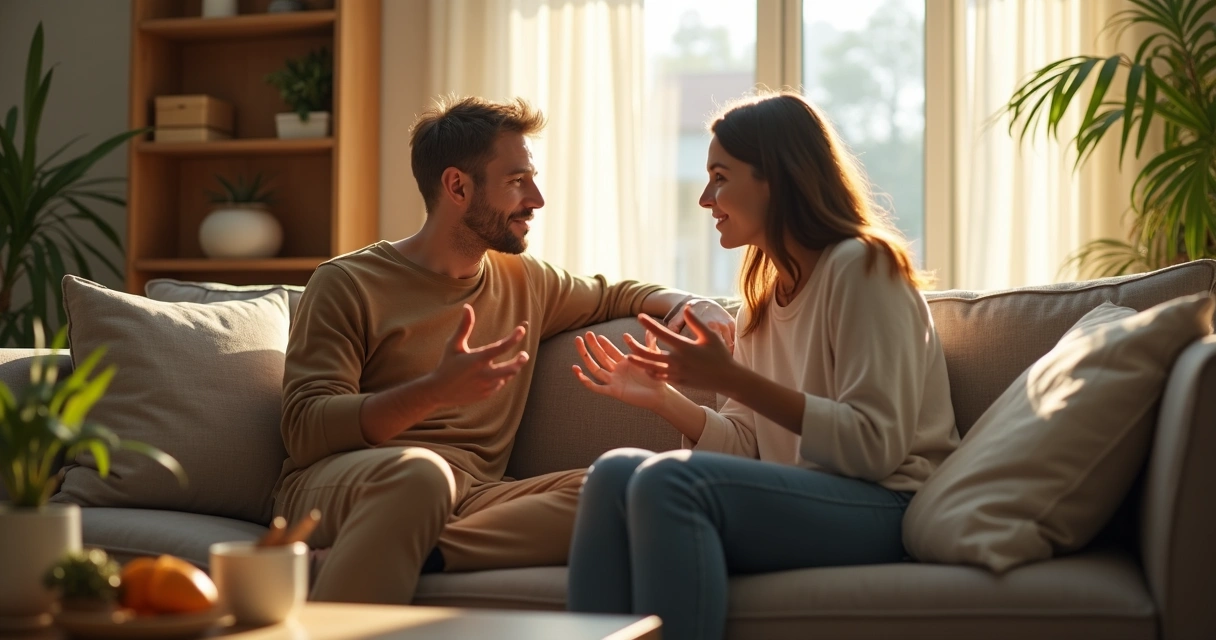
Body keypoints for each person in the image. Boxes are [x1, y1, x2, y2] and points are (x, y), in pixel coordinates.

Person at [273, 95, 734, 604]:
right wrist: (430, 392)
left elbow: (615, 294)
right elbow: (306, 428)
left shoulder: (524, 280)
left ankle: (420, 549)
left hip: (472, 496)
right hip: (352, 483)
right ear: (457, 187)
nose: (536, 199)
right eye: (517, 182)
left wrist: (690, 304)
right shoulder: (347, 283)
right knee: (420, 474)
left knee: (629, 487)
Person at [565, 91, 960, 640]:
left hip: (888, 503)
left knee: (668, 484)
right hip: (809, 497)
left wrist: (728, 376)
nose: (705, 198)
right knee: (613, 473)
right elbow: (750, 444)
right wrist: (664, 398)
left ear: (776, 176)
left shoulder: (862, 266)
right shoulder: (761, 295)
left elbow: (875, 446)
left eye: (721, 176)